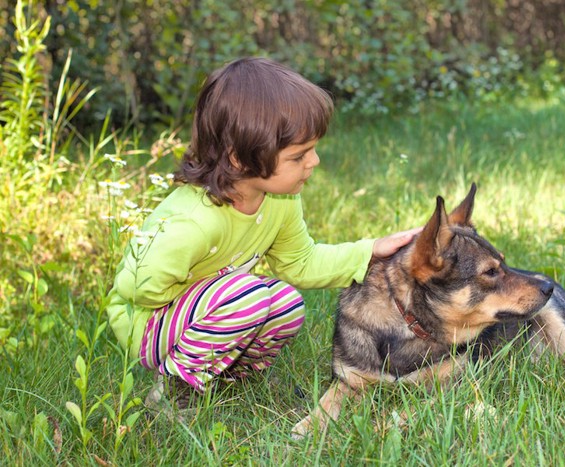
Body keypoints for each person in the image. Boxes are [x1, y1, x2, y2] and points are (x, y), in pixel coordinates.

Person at [105, 57, 421, 416]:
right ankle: (177, 389)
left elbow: (301, 262)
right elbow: (136, 287)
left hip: (211, 313)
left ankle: (231, 379)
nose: (314, 162)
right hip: (147, 324)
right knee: (248, 296)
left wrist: (371, 251)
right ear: (240, 159)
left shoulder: (281, 201)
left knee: (285, 302)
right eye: (299, 155)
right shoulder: (192, 222)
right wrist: (214, 290)